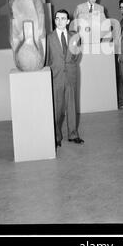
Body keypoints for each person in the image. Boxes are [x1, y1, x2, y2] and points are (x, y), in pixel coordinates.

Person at [46, 9, 84, 148]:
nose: (60, 21)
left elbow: (77, 55)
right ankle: (56, 137)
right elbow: (46, 58)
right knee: (57, 107)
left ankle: (73, 134)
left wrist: (70, 65)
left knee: (72, 105)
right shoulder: (48, 38)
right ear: (55, 20)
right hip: (56, 76)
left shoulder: (74, 36)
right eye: (57, 18)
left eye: (63, 18)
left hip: (71, 75)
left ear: (68, 21)